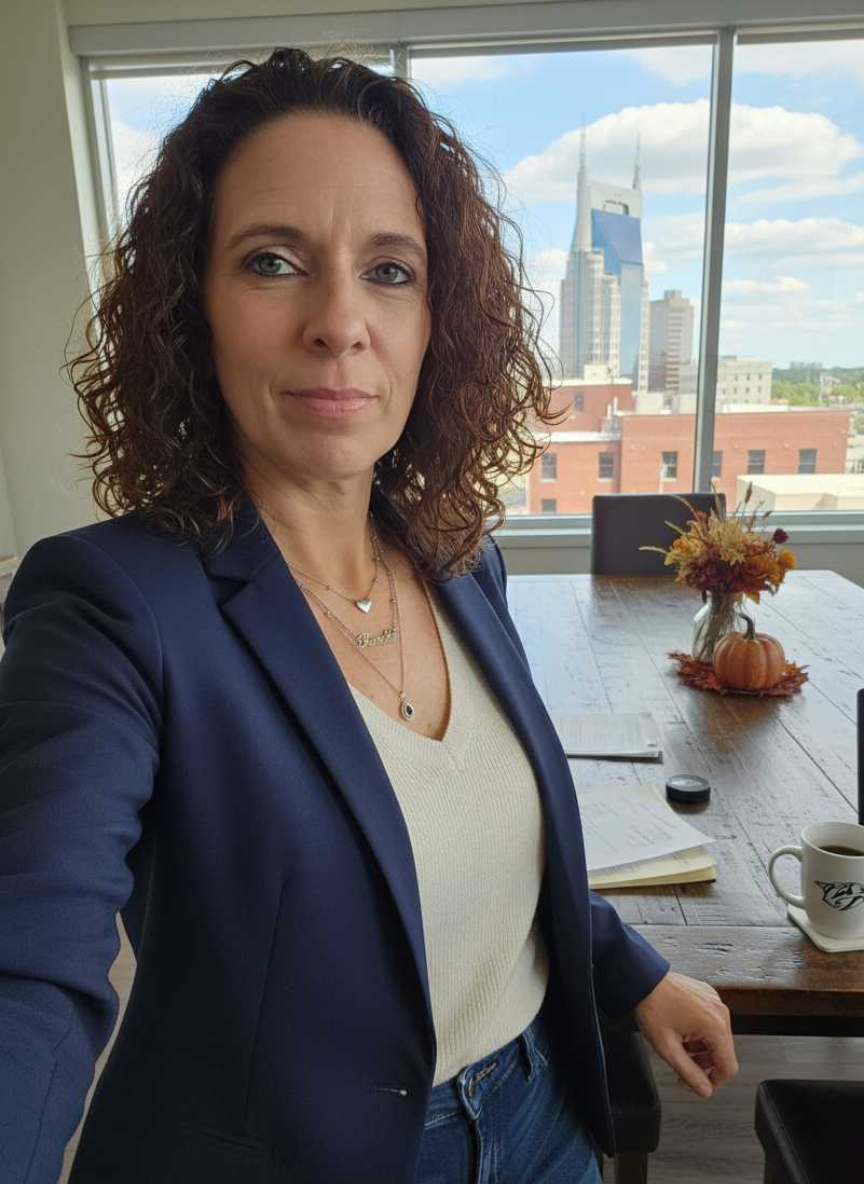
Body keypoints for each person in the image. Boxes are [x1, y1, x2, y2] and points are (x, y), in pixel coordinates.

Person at [0, 48, 737, 1184]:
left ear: (438, 319)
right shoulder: (109, 608)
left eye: (389, 270)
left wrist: (628, 968)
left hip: (545, 1121)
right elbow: (28, 962)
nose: (341, 321)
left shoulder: (458, 561)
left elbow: (489, 839)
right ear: (191, 306)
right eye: (274, 260)